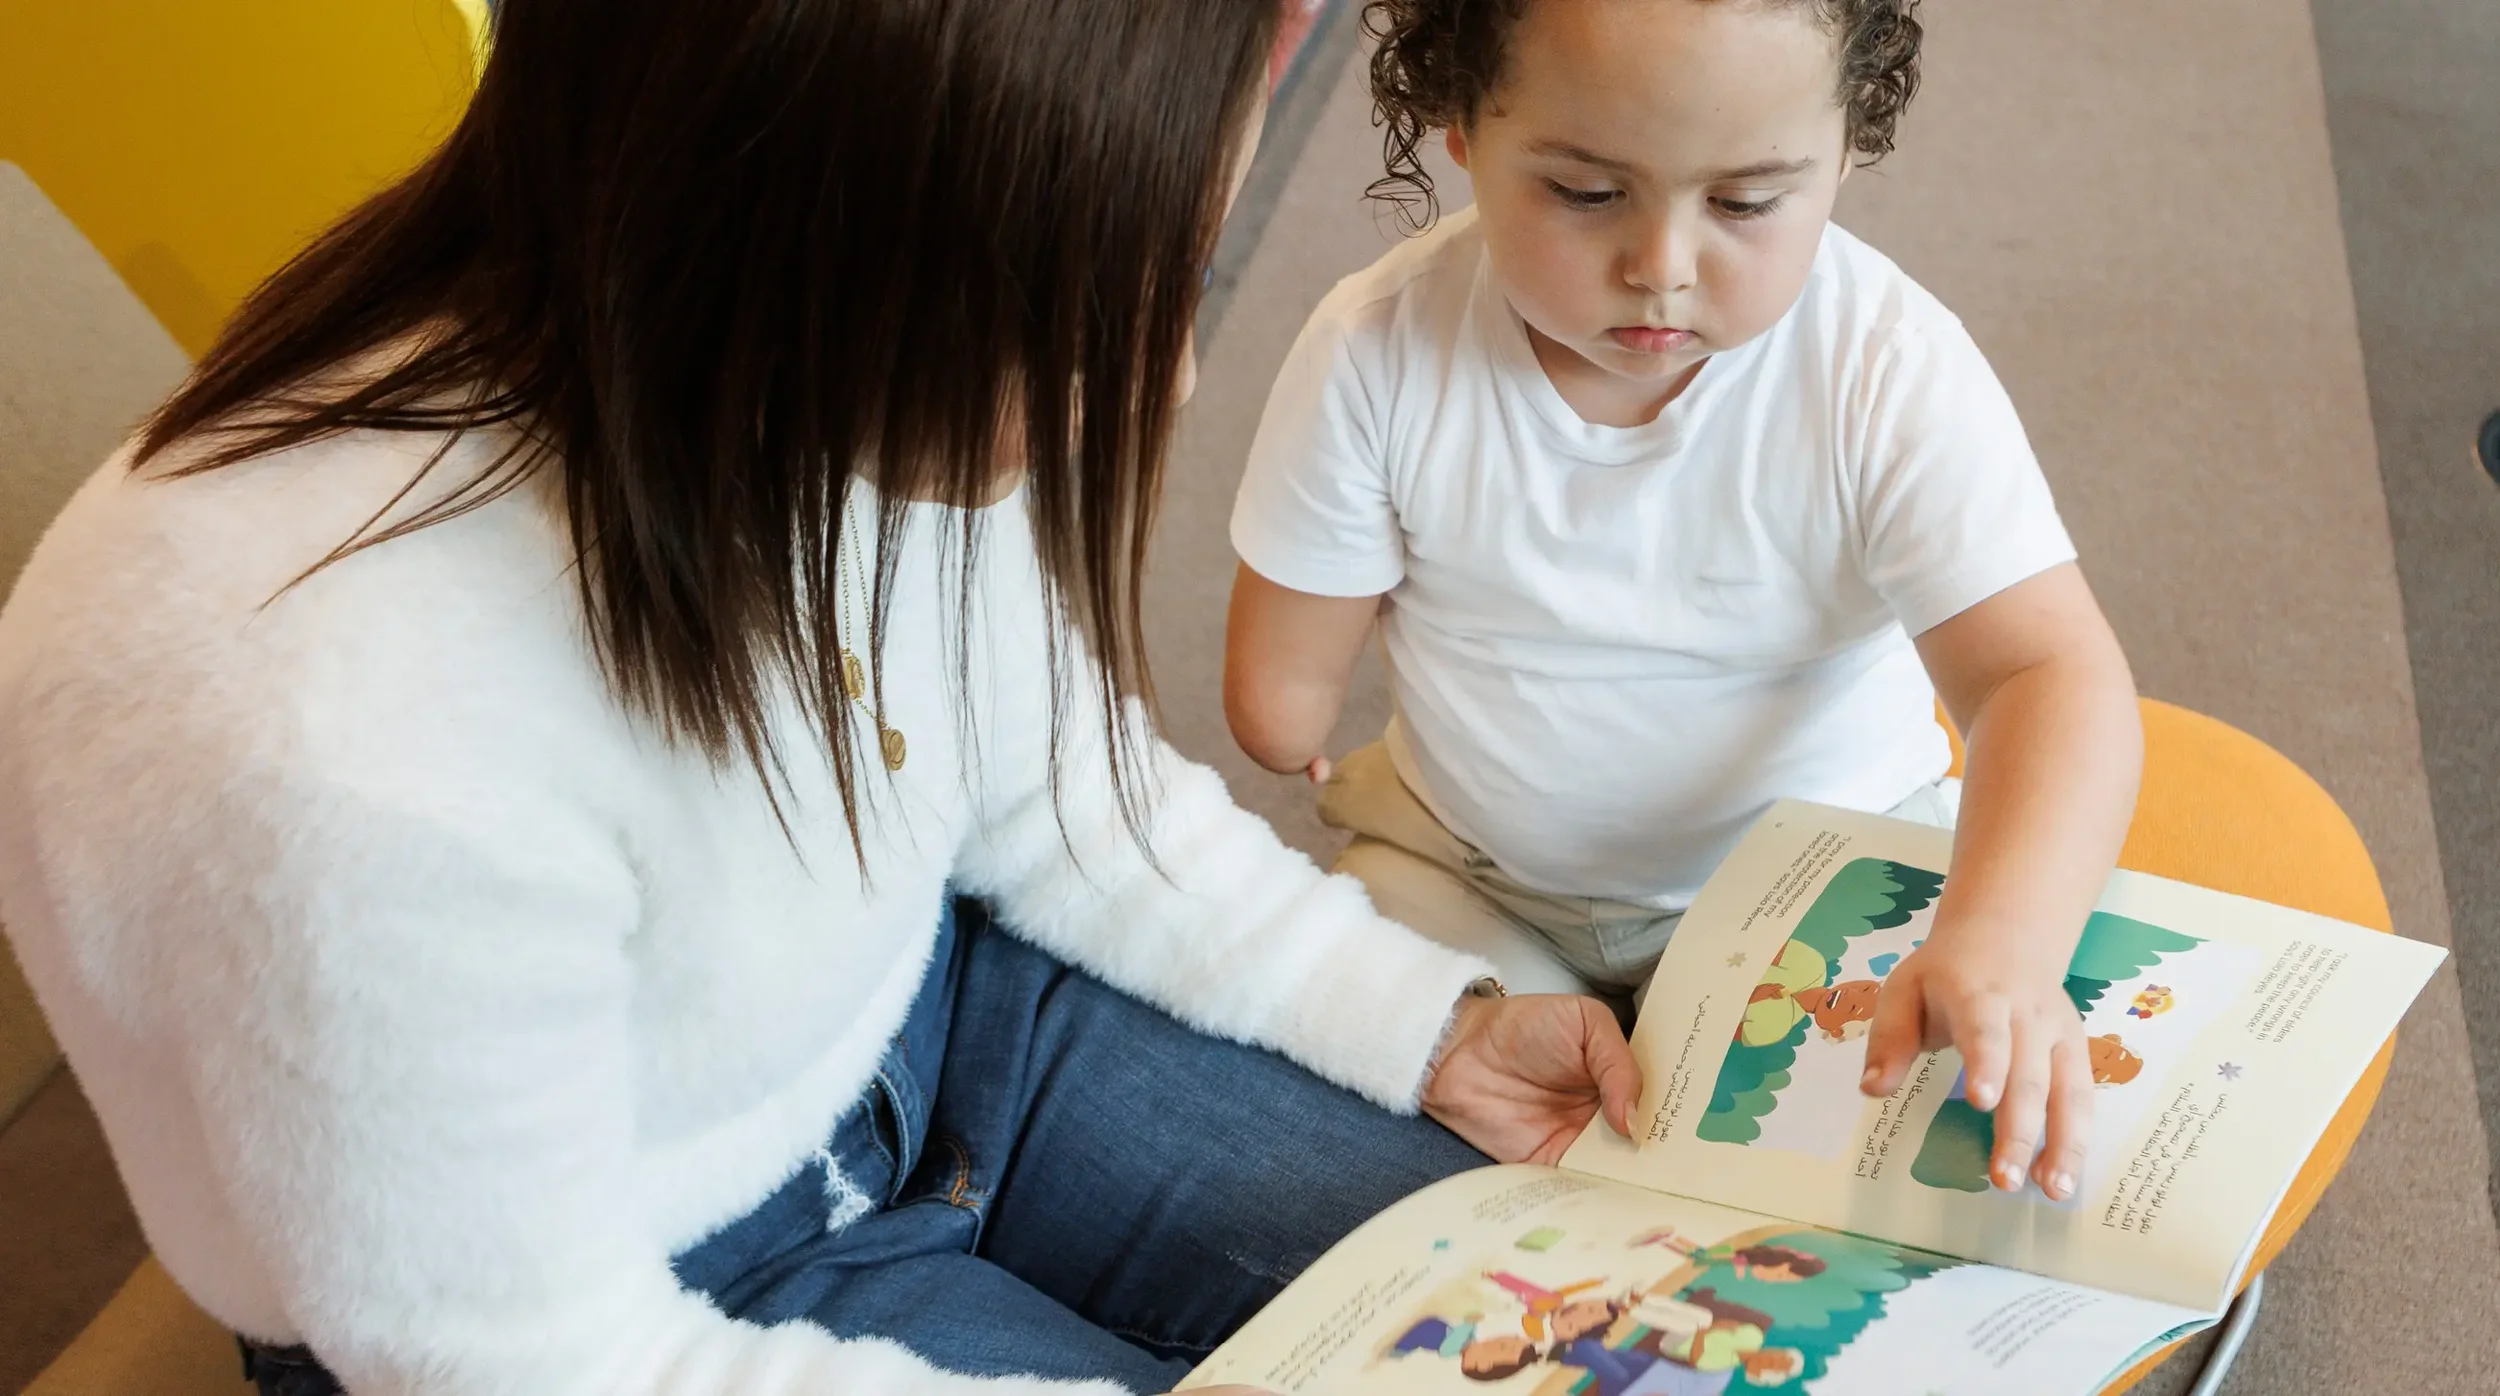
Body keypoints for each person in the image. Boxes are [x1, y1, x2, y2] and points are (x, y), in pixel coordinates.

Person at [0, 3, 1645, 1394]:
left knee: (1590, 1311)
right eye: (1100, 305)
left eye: (1187, 271)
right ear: (843, 238)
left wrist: (1433, 1029)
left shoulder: (807, 345)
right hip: (644, 1281)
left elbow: (1049, 779)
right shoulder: (348, 765)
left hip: (929, 996)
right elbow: (546, 1359)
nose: (1173, 380)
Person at [1221, 0, 2142, 1202]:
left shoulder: (1885, 364)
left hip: (1825, 870)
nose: (1661, 265)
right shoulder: (1372, 349)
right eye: (1588, 193)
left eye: (1747, 204)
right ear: (1458, 125)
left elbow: (2050, 674)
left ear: (1849, 139)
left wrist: (2003, 940)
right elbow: (1274, 724)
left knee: (1932, 1117)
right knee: (1359, 1105)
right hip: (1480, 876)